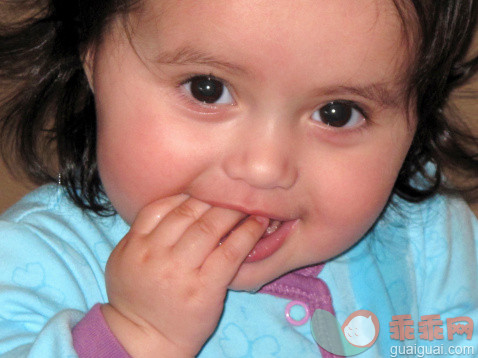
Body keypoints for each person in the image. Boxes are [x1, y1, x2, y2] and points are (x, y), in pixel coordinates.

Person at [0, 0, 477, 357]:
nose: (265, 167)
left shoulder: (428, 243)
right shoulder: (36, 258)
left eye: (337, 113)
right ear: (92, 58)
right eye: (207, 89)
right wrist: (137, 334)